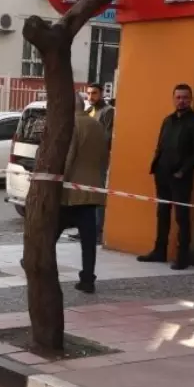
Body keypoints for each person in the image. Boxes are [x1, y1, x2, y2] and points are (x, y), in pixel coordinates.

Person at [139, 83, 194, 270]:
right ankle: (159, 251)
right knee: (162, 213)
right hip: (162, 174)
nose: (181, 101)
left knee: (182, 216)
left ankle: (182, 257)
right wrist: (156, 164)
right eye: (178, 97)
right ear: (173, 99)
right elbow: (161, 145)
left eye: (185, 97)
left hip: (181, 177)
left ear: (190, 99)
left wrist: (182, 171)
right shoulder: (167, 120)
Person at [60, 94, 109, 293]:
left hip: (71, 193)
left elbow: (69, 156)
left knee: (50, 231)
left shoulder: (72, 125)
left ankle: (34, 262)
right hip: (92, 189)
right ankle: (88, 278)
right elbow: (104, 157)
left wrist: (58, 182)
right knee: (88, 240)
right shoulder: (97, 125)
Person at [86, 83, 115, 244]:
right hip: (86, 159)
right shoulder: (89, 111)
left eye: (94, 93)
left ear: (101, 94)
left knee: (98, 194)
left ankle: (98, 230)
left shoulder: (108, 111)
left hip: (99, 158)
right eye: (89, 94)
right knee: (87, 194)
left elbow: (107, 136)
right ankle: (86, 229)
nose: (91, 97)